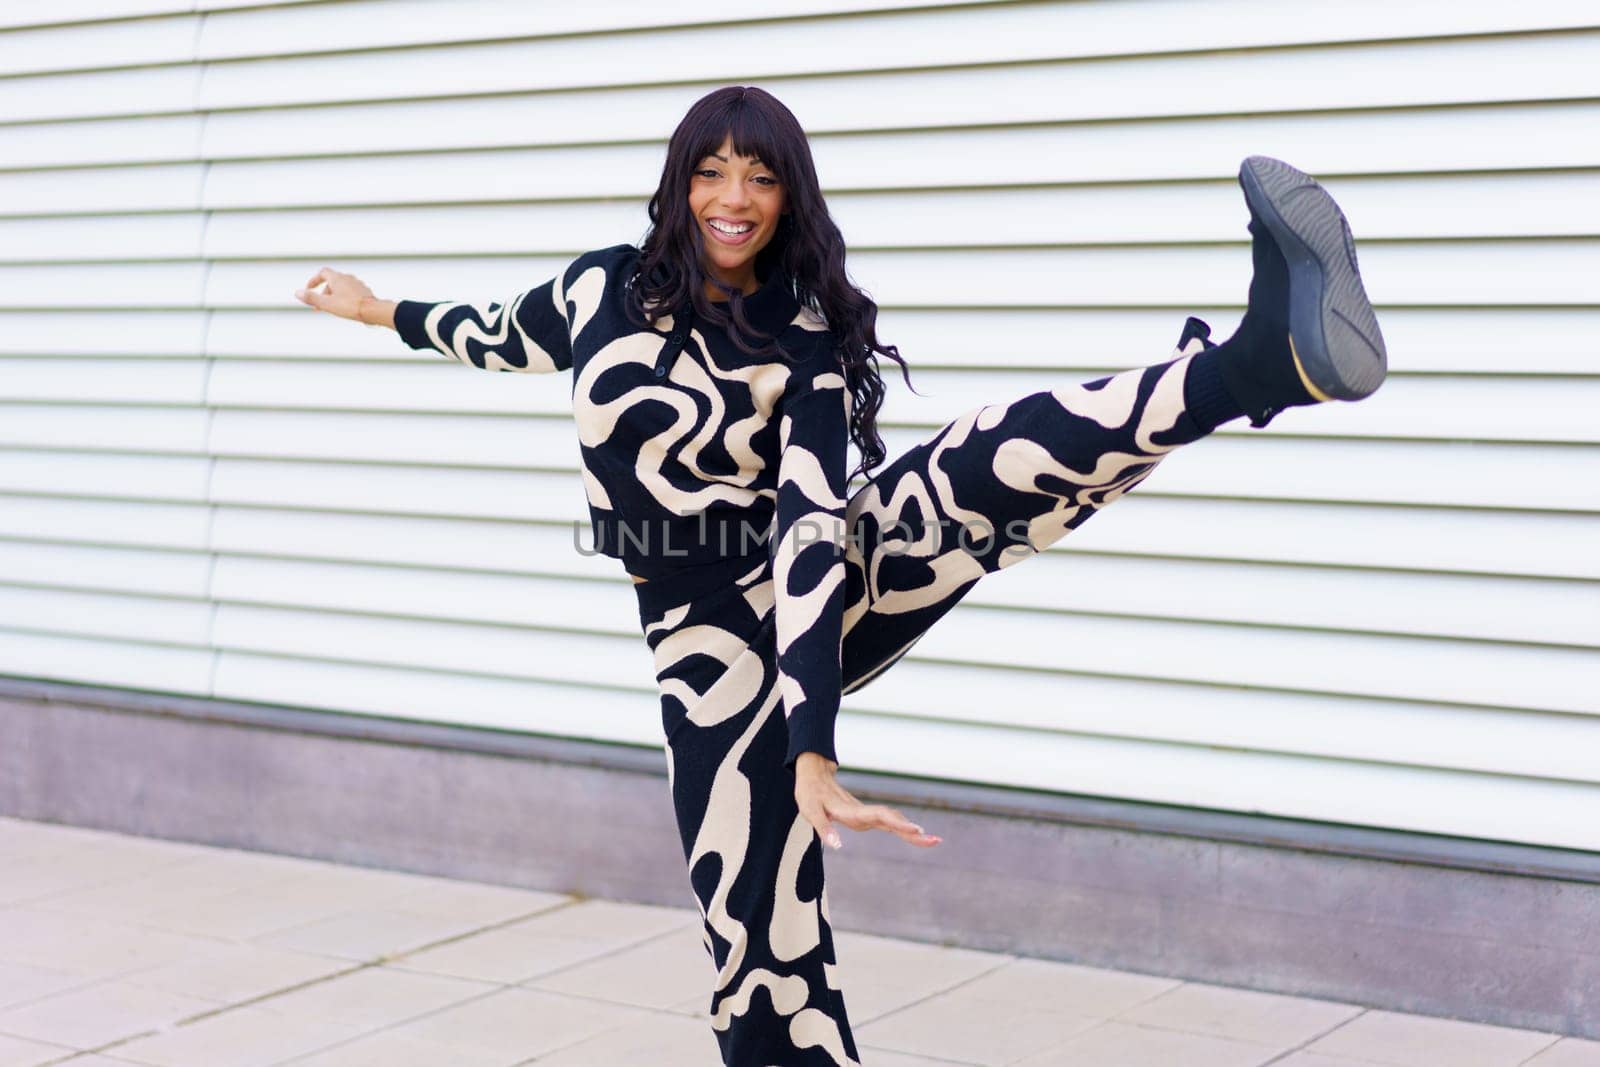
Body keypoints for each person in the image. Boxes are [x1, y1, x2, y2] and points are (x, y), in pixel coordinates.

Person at [293, 84, 1386, 1067]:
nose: (735, 197)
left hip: (814, 585)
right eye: (713, 170)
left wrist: (810, 739)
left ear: (788, 197)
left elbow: (810, 525)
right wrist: (378, 308)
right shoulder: (597, 290)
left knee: (978, 463)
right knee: (759, 953)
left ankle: (1259, 361)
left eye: (761, 176)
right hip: (708, 651)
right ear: (678, 184)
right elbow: (491, 332)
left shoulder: (801, 335)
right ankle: (1261, 364)